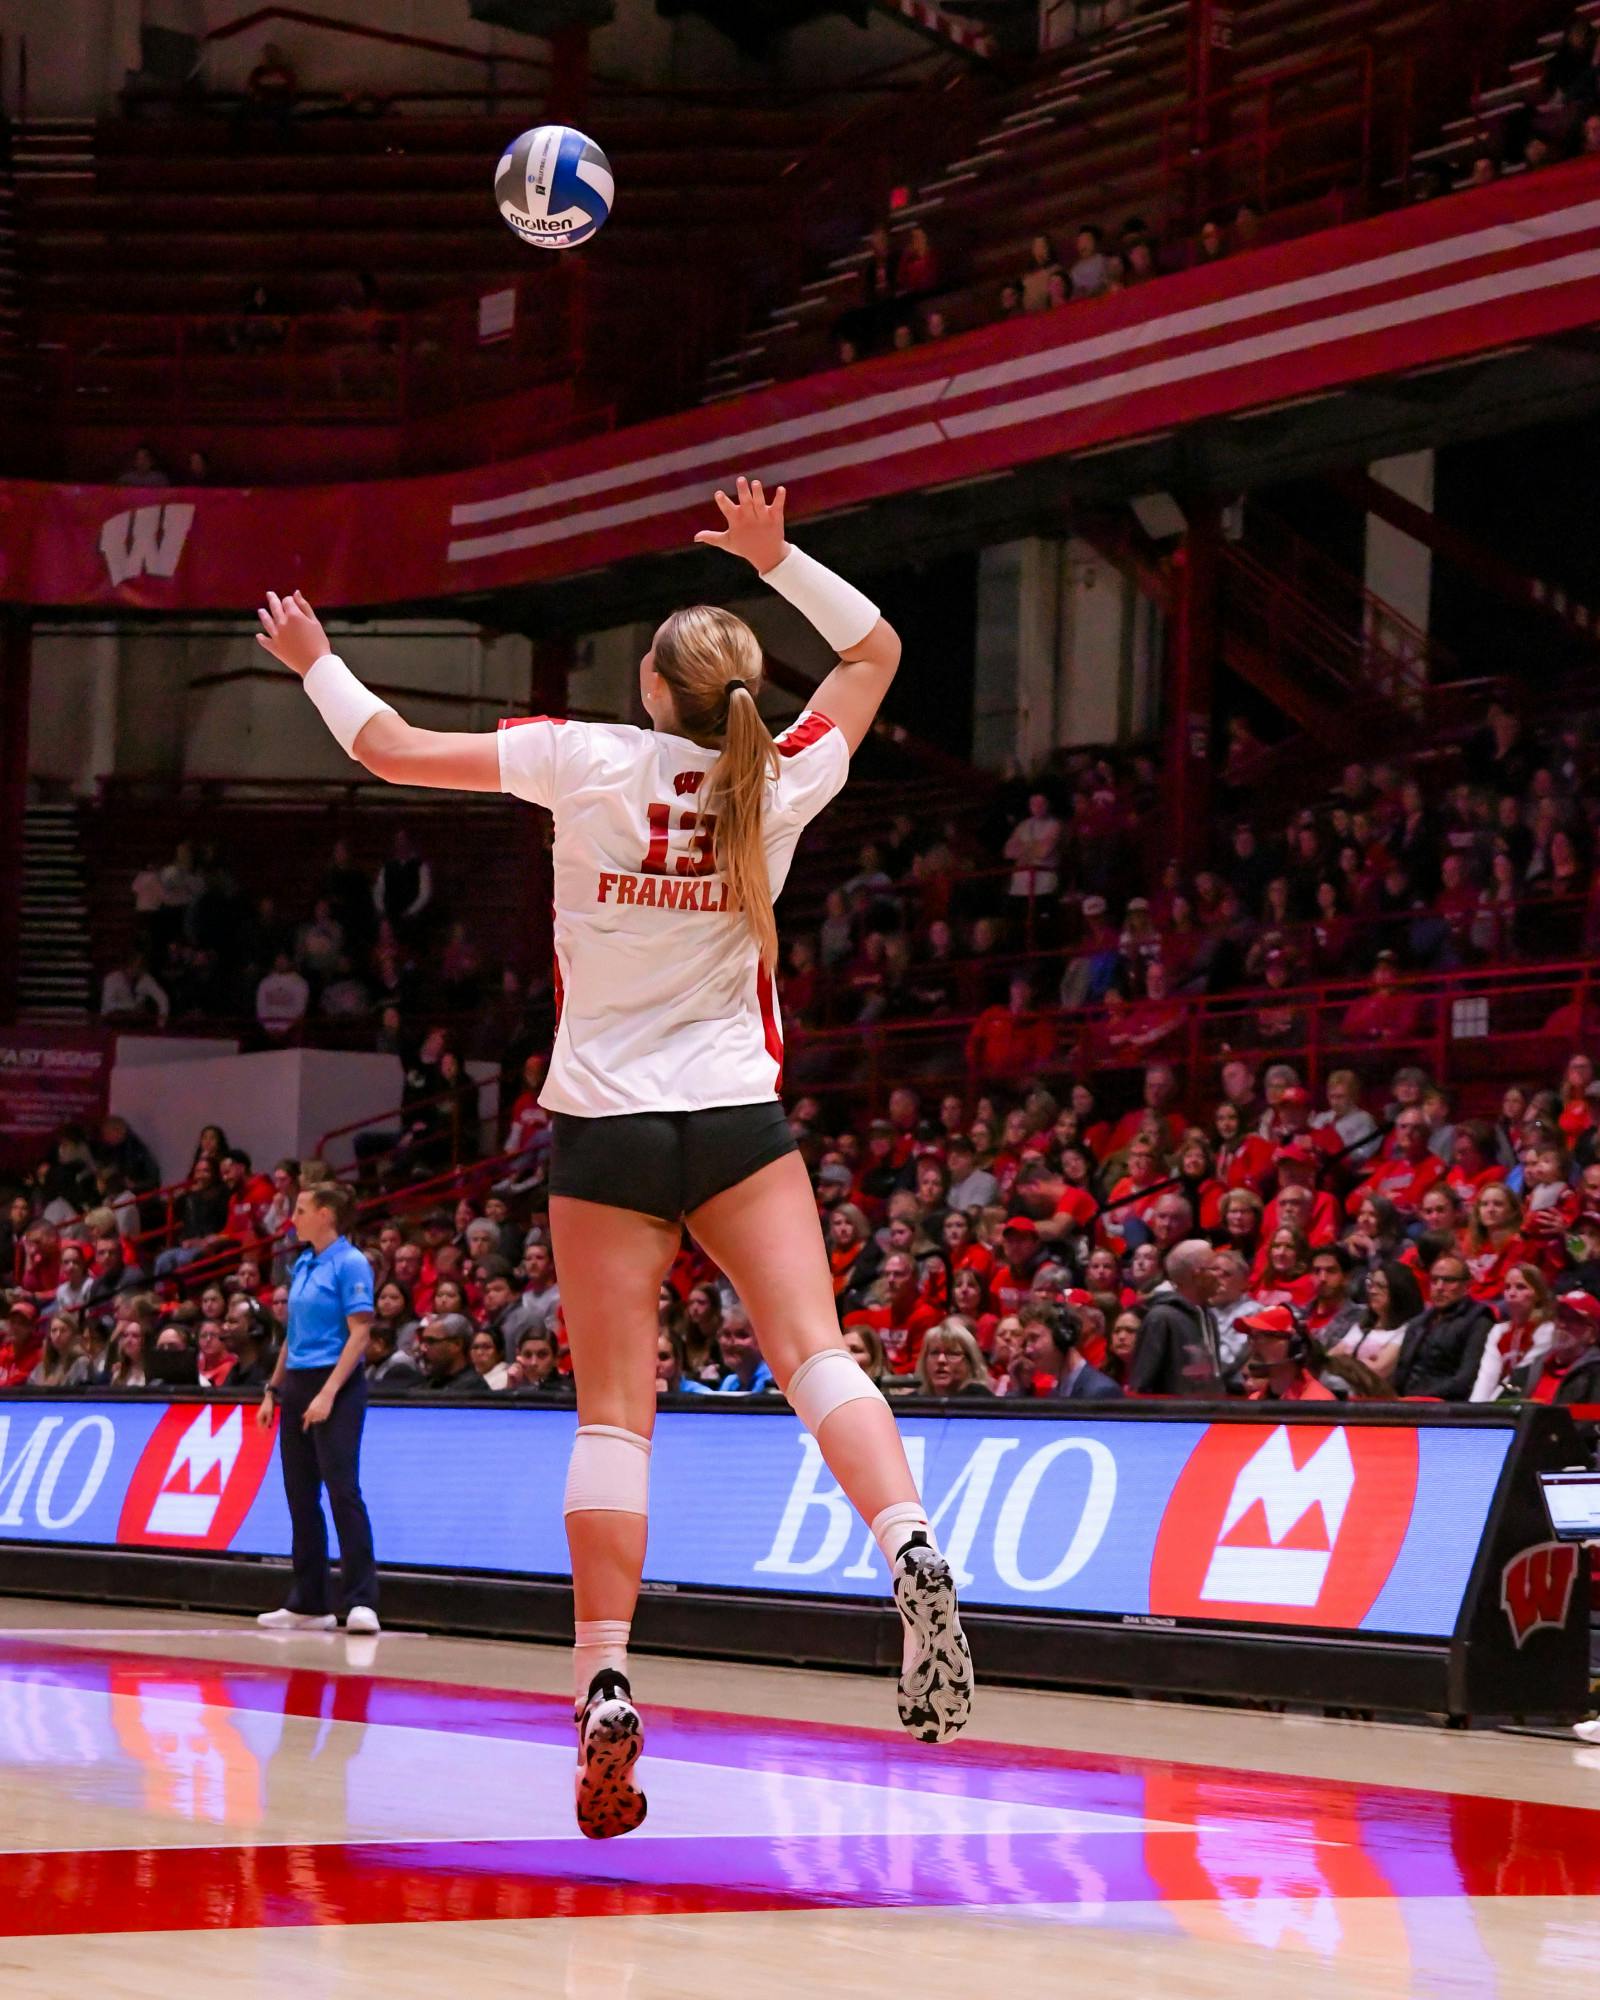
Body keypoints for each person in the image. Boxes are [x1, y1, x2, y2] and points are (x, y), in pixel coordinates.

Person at [256, 477, 973, 1840]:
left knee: (613, 1417)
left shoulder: (584, 758)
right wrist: (777, 558)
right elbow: (877, 649)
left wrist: (315, 661)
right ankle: (913, 1548)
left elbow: (391, 748)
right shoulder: (784, 772)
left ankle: (604, 1679)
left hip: (605, 1131)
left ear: (651, 688)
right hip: (739, 1118)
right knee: (816, 1355)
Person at [256, 1182, 380, 1636]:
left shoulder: (351, 1262)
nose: (294, 1218)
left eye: (302, 1210)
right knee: (300, 1494)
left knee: (343, 1491)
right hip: (298, 1383)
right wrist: (273, 1389)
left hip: (337, 1385)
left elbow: (360, 1333)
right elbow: (294, 1336)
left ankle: (361, 1600)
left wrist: (328, 1394)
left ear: (326, 1214)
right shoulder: (304, 1263)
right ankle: (309, 1601)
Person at [1391, 1252, 1495, 1400]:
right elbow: (1400, 1375)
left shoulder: (1479, 1319)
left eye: (1449, 1280)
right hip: (1407, 1403)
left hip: (1448, 1406)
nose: (1439, 1287)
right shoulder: (1418, 1323)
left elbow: (1465, 1379)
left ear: (1467, 1285)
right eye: (1434, 1280)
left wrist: (1420, 1399)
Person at [1127, 1240, 1223, 1397]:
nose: (1220, 1274)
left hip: (1207, 1410)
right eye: (1214, 1268)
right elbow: (1142, 1385)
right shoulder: (1160, 1318)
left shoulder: (1209, 1317)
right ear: (1197, 1274)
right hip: (1175, 1412)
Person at [1238, 1304, 1335, 1401]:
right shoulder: (1254, 1399)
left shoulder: (1316, 1402)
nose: (1253, 1344)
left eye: (1261, 1336)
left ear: (1294, 1346)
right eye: (1251, 1336)